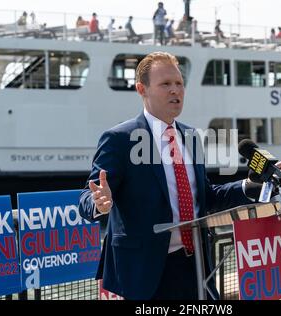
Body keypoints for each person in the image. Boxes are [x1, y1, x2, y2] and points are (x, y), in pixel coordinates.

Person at [78, 52, 263, 300]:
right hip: (145, 273)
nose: (175, 90)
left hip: (196, 264)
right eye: (165, 84)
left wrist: (250, 185)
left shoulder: (191, 137)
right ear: (141, 89)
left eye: (179, 83)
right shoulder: (119, 139)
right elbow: (86, 199)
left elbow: (205, 197)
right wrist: (99, 203)